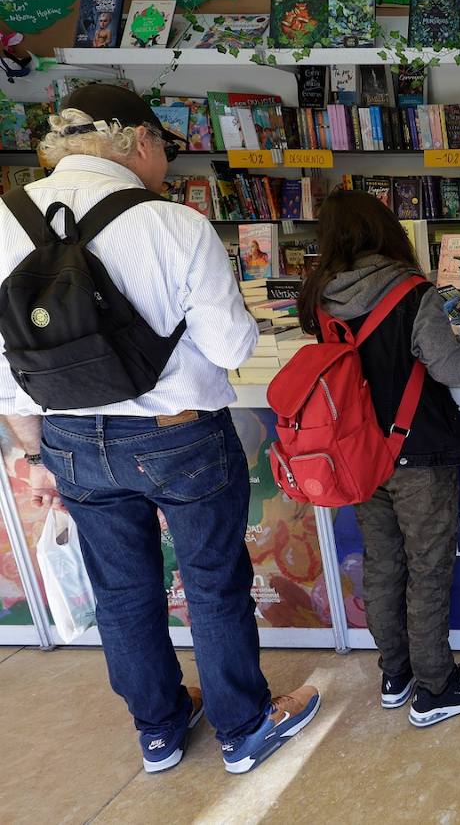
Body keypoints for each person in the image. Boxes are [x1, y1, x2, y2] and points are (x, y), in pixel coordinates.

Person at [0, 84, 319, 775]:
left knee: (122, 590)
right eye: (164, 149)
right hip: (177, 434)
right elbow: (234, 350)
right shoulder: (173, 224)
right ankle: (243, 727)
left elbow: (5, 359)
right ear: (137, 140)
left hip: (70, 439)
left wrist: (32, 445)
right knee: (213, 581)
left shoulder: (4, 221)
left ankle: (160, 731)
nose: (167, 165)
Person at [297, 190, 460, 727]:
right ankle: (436, 687)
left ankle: (395, 675)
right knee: (428, 568)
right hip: (419, 451)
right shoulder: (411, 292)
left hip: (356, 457)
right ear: (385, 229)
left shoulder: (318, 298)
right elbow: (452, 368)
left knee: (383, 563)